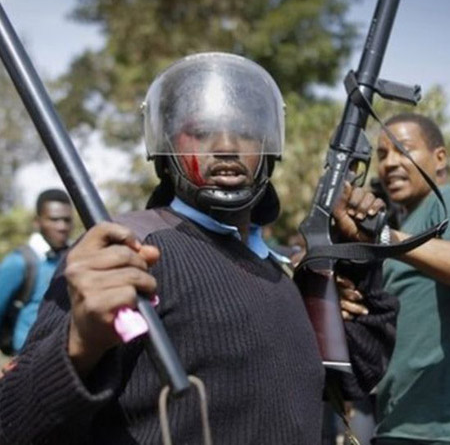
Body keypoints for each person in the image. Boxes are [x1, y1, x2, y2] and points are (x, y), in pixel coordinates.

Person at [0, 53, 396, 445]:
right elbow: (14, 423)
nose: (226, 146)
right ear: (166, 147)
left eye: (244, 132)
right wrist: (79, 343)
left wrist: (357, 259)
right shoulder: (128, 250)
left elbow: (358, 375)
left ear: (270, 145)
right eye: (202, 132)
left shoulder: (281, 271)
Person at [373, 113, 450, 444]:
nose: (390, 163)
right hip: (400, 422)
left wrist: (381, 238)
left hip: (436, 428)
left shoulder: (443, 200)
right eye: (382, 155)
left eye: (403, 150)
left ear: (440, 158)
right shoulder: (407, 221)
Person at [0, 188, 73, 355]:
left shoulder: (75, 258)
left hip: (65, 360)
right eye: (54, 220)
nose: (61, 226)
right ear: (37, 222)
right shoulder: (20, 262)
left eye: (66, 220)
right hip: (26, 360)